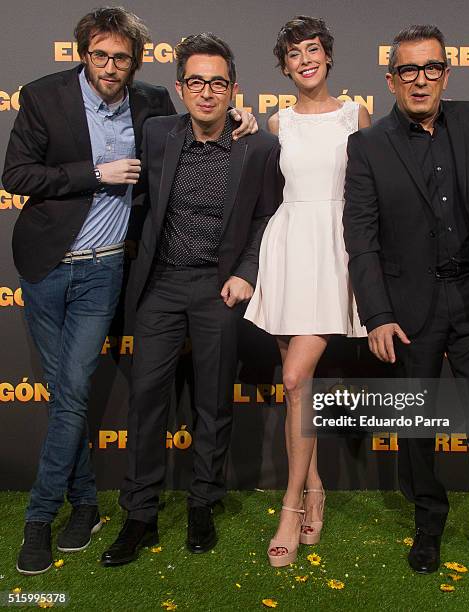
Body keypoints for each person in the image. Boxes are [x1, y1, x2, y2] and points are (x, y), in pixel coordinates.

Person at [2, 8, 255, 576]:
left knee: (70, 393)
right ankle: (93, 505)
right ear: (82, 53)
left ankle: (40, 518)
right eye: (100, 55)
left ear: (136, 62)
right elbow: (15, 175)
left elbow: (211, 121)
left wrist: (245, 117)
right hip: (47, 266)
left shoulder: (151, 106)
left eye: (121, 57)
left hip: (109, 270)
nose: (111, 66)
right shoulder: (43, 97)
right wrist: (96, 173)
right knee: (69, 396)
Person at [343, 24, 469, 590]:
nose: (420, 80)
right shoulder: (368, 145)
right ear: (391, 79)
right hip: (410, 311)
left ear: (446, 73)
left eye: (431, 68)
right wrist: (378, 314)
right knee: (417, 430)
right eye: (408, 70)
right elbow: (361, 237)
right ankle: (428, 527)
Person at [101, 33, 281, 567]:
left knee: (213, 402)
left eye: (218, 83)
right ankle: (140, 514)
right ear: (180, 88)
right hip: (159, 286)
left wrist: (247, 272)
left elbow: (267, 216)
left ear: (233, 90)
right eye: (196, 82)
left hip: (217, 289)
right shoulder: (157, 132)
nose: (207, 92)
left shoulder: (259, 147)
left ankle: (204, 501)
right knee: (146, 401)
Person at [244, 16, 371, 567]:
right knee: (300, 389)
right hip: (288, 248)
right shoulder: (277, 124)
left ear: (328, 55)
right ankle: (315, 486)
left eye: (313, 49)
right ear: (284, 65)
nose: (305, 60)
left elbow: (369, 190)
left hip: (336, 252)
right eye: (294, 54)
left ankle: (290, 505)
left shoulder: (356, 114)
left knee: (295, 377)